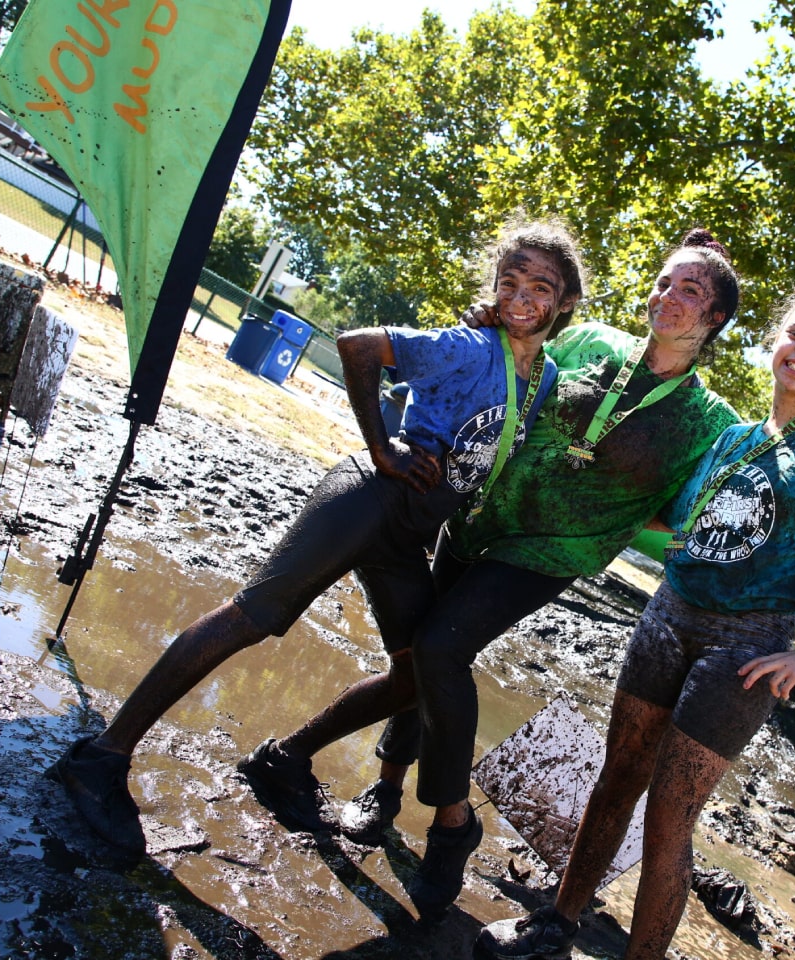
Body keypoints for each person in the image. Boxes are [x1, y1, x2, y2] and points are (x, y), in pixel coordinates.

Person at [45, 218, 586, 860]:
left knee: (417, 670)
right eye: (510, 281)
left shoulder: (543, 378)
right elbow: (358, 345)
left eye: (540, 288)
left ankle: (284, 760)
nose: (521, 297)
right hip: (367, 499)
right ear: (494, 285)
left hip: (408, 533)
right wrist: (382, 447)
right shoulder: (468, 345)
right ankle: (102, 757)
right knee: (254, 617)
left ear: (566, 302)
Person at [254, 229, 743, 918]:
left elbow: (697, 504)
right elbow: (514, 360)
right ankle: (377, 789)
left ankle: (451, 827)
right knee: (418, 658)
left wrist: (607, 512)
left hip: (548, 555)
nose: (670, 296)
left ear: (716, 318)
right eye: (665, 281)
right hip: (478, 517)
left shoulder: (710, 420)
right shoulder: (590, 342)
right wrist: (484, 319)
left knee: (440, 648)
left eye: (691, 291)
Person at [474, 280, 795, 960]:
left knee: (670, 819)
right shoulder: (730, 437)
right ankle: (555, 922)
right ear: (772, 340)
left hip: (746, 650)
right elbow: (680, 520)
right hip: (667, 620)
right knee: (617, 778)